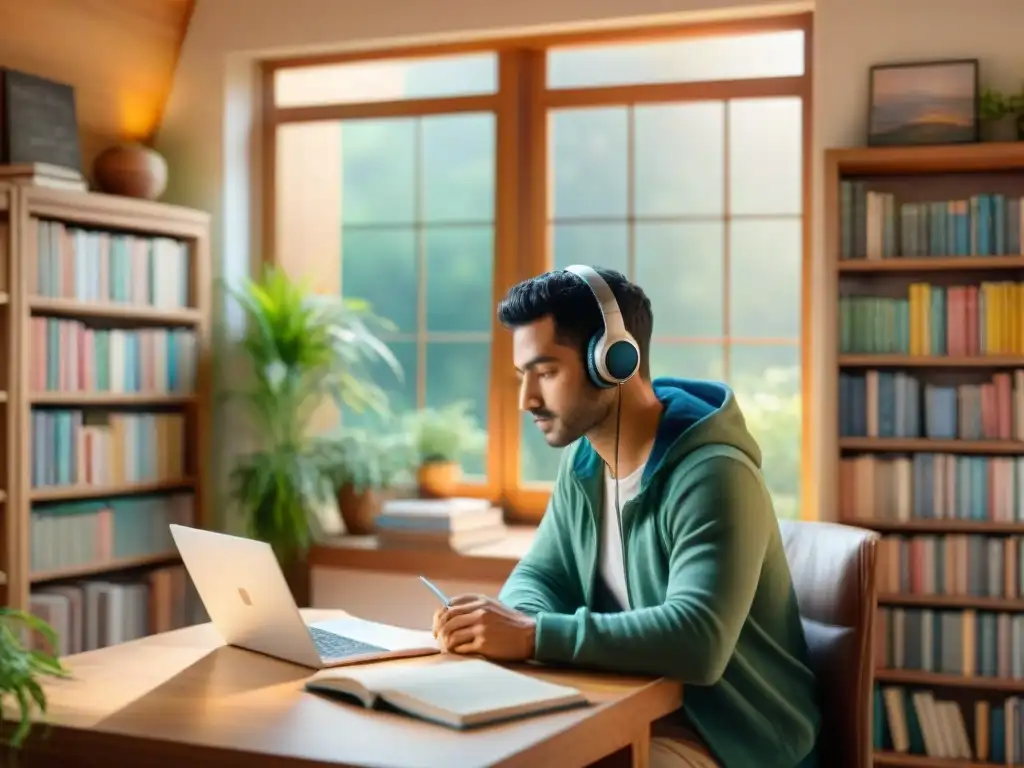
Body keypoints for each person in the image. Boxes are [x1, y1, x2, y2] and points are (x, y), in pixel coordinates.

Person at [432, 266, 821, 768]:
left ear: (613, 361)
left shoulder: (715, 475)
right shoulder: (585, 461)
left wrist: (531, 636)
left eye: (546, 373)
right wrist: (506, 625)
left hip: (738, 741)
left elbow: (697, 640)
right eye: (522, 376)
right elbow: (543, 574)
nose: (528, 398)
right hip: (630, 709)